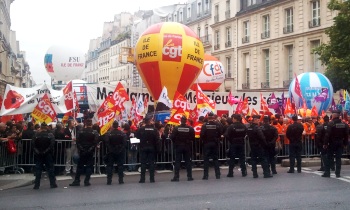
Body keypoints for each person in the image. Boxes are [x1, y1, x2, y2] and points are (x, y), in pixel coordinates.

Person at [69, 119, 99, 186]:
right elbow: (95, 143)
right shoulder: (94, 132)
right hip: (90, 151)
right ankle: (87, 181)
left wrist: (82, 149)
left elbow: (78, 142)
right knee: (89, 166)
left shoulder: (80, 131)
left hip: (82, 151)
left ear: (85, 124)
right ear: (91, 124)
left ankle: (77, 180)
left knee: (79, 166)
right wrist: (89, 150)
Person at [322, 111, 349, 178]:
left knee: (329, 158)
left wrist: (325, 144)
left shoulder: (331, 124)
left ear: (333, 116)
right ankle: (338, 173)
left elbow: (327, 135)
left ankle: (327, 173)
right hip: (340, 143)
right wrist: (345, 143)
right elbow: (346, 135)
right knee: (338, 158)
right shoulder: (344, 124)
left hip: (331, 143)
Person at [32, 122, 57, 189]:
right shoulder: (50, 135)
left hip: (39, 154)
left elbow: (33, 145)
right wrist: (46, 151)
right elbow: (51, 145)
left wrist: (38, 152)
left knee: (38, 170)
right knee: (50, 169)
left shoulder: (36, 135)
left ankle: (37, 185)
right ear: (46, 127)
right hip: (48, 154)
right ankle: (52, 183)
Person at [169, 116, 195, 182]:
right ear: (186, 121)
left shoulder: (176, 128)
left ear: (181, 120)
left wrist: (176, 142)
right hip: (187, 146)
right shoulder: (190, 128)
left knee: (177, 162)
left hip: (179, 146)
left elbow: (172, 137)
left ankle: (176, 177)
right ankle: (190, 176)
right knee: (188, 162)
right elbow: (193, 137)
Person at [200, 112, 222, 180]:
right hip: (215, 143)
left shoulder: (204, 125)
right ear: (213, 117)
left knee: (206, 160)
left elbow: (202, 135)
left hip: (207, 143)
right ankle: (217, 175)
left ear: (208, 117)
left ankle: (205, 175)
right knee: (215, 159)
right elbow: (220, 133)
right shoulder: (217, 125)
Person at [135, 117, 158, 183]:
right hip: (152, 147)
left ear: (145, 122)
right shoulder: (154, 129)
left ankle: (142, 179)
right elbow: (157, 139)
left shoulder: (141, 129)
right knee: (151, 163)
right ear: (150, 121)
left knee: (143, 164)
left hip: (143, 147)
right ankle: (152, 178)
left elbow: (137, 137)